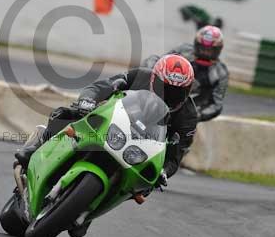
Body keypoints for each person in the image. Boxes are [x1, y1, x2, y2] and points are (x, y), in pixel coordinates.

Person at [15, 54, 197, 185]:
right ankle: (36, 146)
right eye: (165, 88)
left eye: (177, 92)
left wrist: (164, 171)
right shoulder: (140, 75)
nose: (169, 95)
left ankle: (88, 210)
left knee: (145, 185)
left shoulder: (188, 115)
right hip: (114, 119)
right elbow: (103, 86)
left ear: (188, 90)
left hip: (142, 147)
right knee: (68, 114)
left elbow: (177, 152)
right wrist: (88, 100)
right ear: (154, 79)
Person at [144, 26, 228, 123]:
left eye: (209, 50)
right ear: (196, 44)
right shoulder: (183, 50)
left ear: (218, 50)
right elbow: (161, 62)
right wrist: (148, 72)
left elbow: (216, 104)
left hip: (187, 111)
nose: (205, 53)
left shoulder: (221, 72)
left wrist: (197, 115)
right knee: (151, 60)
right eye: (202, 48)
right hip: (163, 94)